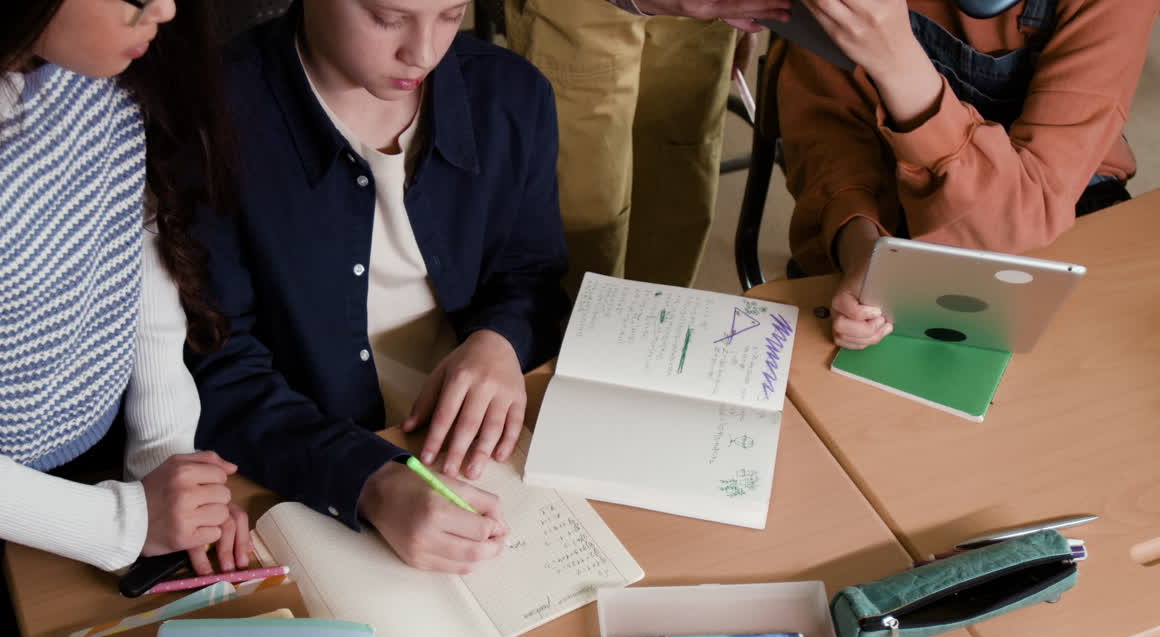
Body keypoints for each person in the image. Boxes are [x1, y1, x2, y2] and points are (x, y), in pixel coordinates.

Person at [0, 0, 249, 637]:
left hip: (105, 455)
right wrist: (128, 524)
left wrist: (167, 465)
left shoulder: (100, 70)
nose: (165, 10)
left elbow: (136, 263)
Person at [185, 0, 569, 575]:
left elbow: (533, 272)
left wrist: (500, 341)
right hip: (303, 466)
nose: (423, 52)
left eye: (451, 14)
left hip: (487, 454)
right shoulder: (210, 120)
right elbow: (214, 368)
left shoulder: (512, 94)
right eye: (389, 18)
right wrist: (369, 480)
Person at [778, 0, 1158, 350]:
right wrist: (862, 249)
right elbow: (830, 134)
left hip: (1065, 203)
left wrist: (897, 63)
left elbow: (1016, 221)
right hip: (888, 203)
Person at [503, 0, 790, 295]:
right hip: (580, 9)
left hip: (705, 18)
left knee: (675, 192)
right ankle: (565, 337)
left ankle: (653, 329)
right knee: (582, 210)